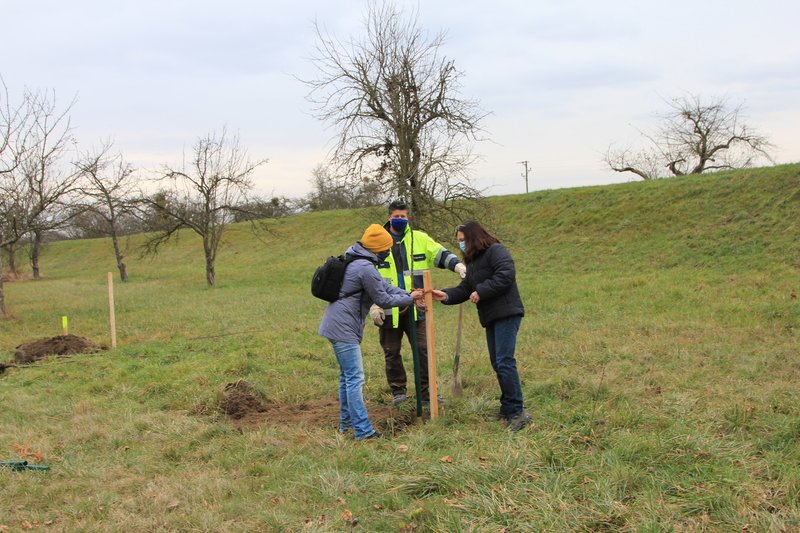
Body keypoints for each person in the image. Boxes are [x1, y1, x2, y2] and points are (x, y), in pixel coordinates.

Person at [319, 224, 424, 440]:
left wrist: (407, 292)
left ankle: (346, 426)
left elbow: (384, 288)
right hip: (343, 327)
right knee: (355, 379)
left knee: (346, 378)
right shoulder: (364, 267)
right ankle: (363, 431)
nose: (388, 252)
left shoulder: (358, 260)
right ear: (378, 248)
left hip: (336, 324)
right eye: (386, 248)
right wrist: (410, 299)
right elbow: (383, 299)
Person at [431, 221, 532, 432]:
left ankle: (518, 411)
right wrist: (446, 295)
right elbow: (466, 288)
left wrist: (482, 291)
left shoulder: (497, 251)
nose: (461, 245)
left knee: (505, 361)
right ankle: (507, 408)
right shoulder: (473, 262)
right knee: (497, 362)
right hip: (491, 317)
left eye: (463, 240)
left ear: (474, 237)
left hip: (507, 312)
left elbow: (506, 275)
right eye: (458, 242)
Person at [369, 199, 466, 407]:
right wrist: (372, 304)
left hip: (417, 306)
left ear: (408, 218)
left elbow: (440, 254)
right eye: (396, 217)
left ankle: (427, 392)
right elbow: (367, 275)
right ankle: (399, 392)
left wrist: (458, 266)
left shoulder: (419, 239)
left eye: (403, 217)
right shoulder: (378, 242)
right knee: (392, 351)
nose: (400, 220)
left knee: (423, 349)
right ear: (389, 217)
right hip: (389, 307)